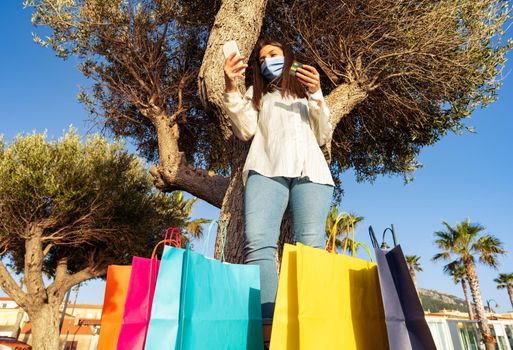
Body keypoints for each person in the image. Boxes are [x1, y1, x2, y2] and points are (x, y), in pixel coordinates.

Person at [222, 38, 335, 321]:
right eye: (261, 60)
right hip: (265, 168)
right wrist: (230, 86)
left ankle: (310, 323)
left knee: (311, 246)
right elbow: (245, 129)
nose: (266, 61)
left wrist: (317, 92)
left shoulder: (305, 96)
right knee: (258, 243)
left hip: (311, 171)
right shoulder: (256, 95)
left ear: (287, 57)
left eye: (273, 54)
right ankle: (268, 326)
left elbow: (323, 136)